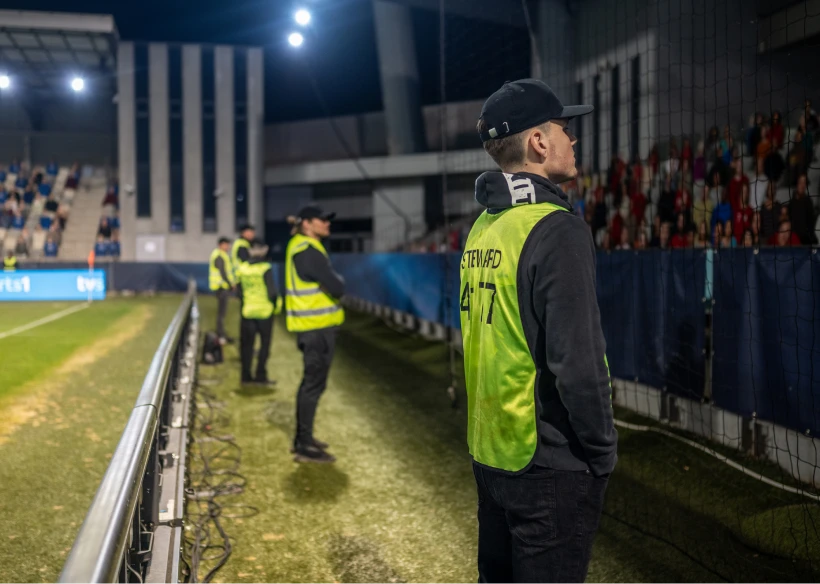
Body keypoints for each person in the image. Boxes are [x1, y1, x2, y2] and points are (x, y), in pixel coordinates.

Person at [466, 79, 617, 584]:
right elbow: (578, 362)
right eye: (565, 129)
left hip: (491, 453)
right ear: (538, 141)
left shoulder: (483, 226)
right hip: (547, 460)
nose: (572, 140)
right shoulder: (556, 227)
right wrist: (601, 450)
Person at [285, 205, 346, 464]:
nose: (327, 224)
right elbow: (337, 287)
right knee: (312, 386)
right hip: (316, 330)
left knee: (313, 385)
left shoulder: (301, 247)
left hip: (313, 329)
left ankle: (304, 438)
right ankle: (304, 445)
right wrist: (334, 282)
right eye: (323, 220)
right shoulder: (307, 251)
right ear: (307, 224)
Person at [235, 239, 280, 385]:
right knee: (264, 345)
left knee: (247, 346)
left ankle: (245, 376)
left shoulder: (242, 269)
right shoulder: (265, 268)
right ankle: (261, 375)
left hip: (248, 312)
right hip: (264, 312)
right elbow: (272, 292)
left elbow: (239, 292)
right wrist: (276, 306)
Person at [209, 237, 236, 343]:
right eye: (227, 244)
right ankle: (221, 335)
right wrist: (231, 284)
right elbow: (223, 272)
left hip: (222, 287)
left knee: (222, 313)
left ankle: (221, 334)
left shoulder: (221, 255)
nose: (228, 247)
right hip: (221, 287)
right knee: (221, 313)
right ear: (221, 244)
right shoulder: (219, 256)